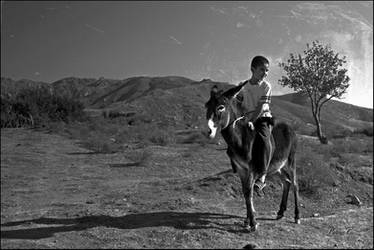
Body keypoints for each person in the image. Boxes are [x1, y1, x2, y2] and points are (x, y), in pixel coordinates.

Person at [235, 55, 274, 192]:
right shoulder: (243, 86)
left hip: (262, 118)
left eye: (267, 70)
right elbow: (238, 103)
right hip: (246, 118)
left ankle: (262, 177)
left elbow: (262, 107)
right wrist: (243, 118)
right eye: (262, 69)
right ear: (252, 69)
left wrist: (252, 121)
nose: (265, 73)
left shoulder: (266, 86)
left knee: (263, 140)